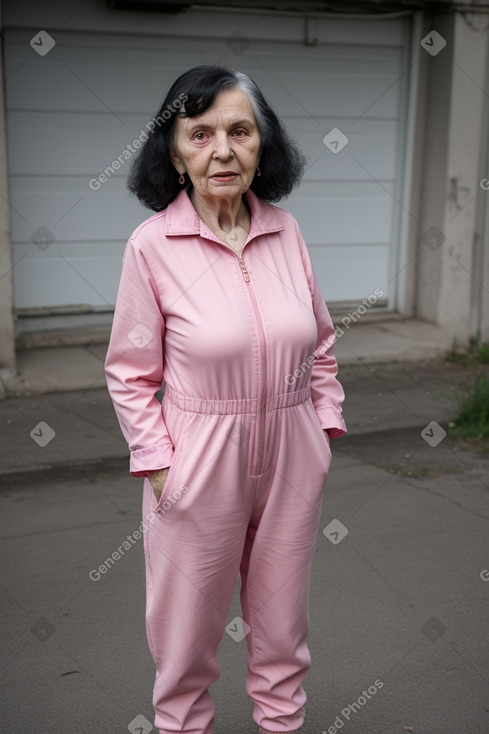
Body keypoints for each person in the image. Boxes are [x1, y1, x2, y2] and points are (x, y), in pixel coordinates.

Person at [104, 65, 346, 734]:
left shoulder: (286, 231)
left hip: (292, 454)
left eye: (240, 131)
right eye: (200, 132)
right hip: (197, 457)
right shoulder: (152, 247)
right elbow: (129, 370)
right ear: (174, 152)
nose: (222, 150)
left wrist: (322, 422)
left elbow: (320, 341)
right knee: (185, 637)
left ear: (261, 145)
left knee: (282, 628)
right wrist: (157, 464)